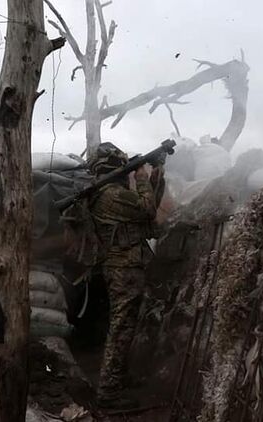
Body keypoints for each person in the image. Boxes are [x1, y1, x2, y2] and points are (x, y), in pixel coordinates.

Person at [86, 142, 165, 409]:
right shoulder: (110, 194)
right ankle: (108, 392)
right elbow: (147, 209)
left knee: (124, 326)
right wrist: (141, 176)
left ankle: (116, 378)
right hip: (123, 268)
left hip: (124, 267)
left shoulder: (110, 193)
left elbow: (147, 207)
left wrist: (156, 172)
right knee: (122, 327)